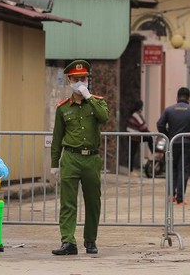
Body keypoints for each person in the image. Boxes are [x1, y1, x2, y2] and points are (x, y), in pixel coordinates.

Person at [50, 59, 109, 256]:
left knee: (93, 202)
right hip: (71, 158)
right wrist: (54, 165)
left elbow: (104, 117)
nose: (80, 82)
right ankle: (68, 242)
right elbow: (57, 138)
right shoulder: (63, 108)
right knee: (68, 203)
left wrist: (88, 96)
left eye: (83, 78)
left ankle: (90, 240)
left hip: (91, 159)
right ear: (69, 81)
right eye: (76, 79)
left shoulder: (97, 102)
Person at [157, 87, 190, 204]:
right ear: (189, 98)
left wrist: (167, 136)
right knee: (183, 170)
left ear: (177, 97)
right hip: (187, 144)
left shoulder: (169, 110)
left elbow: (160, 124)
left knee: (172, 169)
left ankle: (170, 196)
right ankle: (180, 198)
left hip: (172, 144)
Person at [126, 99, 153, 175]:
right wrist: (149, 133)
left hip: (132, 135)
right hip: (134, 136)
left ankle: (130, 170)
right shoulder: (136, 115)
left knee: (132, 152)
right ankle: (153, 153)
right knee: (150, 138)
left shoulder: (134, 114)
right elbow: (143, 126)